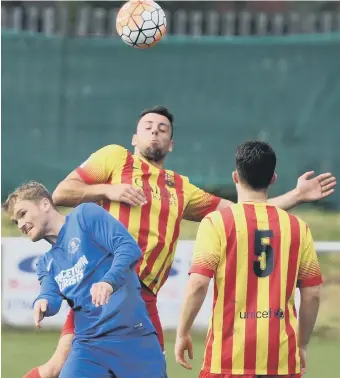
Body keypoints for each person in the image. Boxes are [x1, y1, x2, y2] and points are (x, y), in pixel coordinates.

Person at [24, 106, 335, 378]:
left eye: (163, 130)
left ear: (170, 144)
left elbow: (245, 213)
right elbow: (62, 192)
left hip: (144, 299)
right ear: (135, 138)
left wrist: (297, 195)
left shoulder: (181, 187)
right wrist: (108, 191)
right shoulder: (115, 159)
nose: (155, 133)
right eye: (148, 128)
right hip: (107, 291)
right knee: (56, 368)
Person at [174, 141, 323, 378]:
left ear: (235, 176)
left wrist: (182, 333)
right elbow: (312, 294)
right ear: (273, 179)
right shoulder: (298, 227)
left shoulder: (216, 222)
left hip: (227, 359)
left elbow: (198, 284)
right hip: (281, 358)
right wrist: (301, 345)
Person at [3, 181, 167, 378]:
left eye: (23, 214)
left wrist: (108, 282)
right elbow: (50, 295)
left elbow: (128, 248)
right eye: (15, 221)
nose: (21, 224)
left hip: (131, 336)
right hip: (88, 346)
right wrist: (43, 302)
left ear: (45, 204)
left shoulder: (85, 216)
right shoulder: (46, 263)